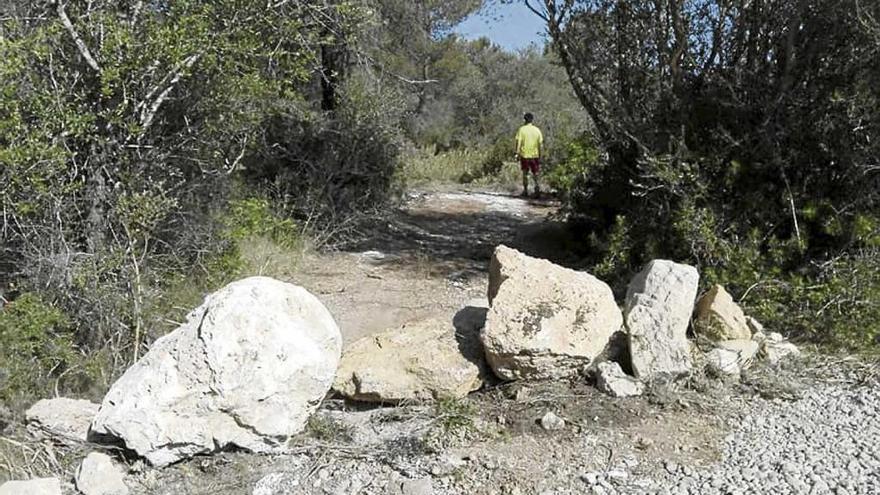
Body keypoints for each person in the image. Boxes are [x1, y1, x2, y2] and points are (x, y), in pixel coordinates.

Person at [515, 112, 544, 197]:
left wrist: (517, 153)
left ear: (524, 120)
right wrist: (540, 155)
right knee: (536, 173)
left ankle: (525, 190)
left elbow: (518, 142)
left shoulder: (522, 129)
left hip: (525, 155)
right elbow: (540, 144)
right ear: (532, 120)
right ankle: (537, 188)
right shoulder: (537, 130)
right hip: (535, 155)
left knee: (525, 173)